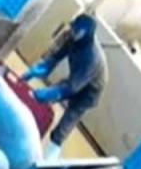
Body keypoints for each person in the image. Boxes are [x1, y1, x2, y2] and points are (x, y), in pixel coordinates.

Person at [22, 14, 109, 160]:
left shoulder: (91, 59)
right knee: (43, 100)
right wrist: (41, 68)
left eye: (77, 31)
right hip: (76, 79)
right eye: (73, 28)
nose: (73, 32)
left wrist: (48, 94)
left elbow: (71, 88)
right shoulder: (73, 37)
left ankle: (51, 157)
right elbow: (56, 56)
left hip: (90, 92)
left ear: (87, 34)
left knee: (66, 122)